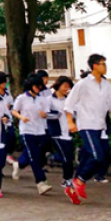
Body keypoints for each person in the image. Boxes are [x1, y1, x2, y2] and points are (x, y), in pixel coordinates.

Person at [65, 54, 111, 201]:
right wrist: (70, 121)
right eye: (102, 64)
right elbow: (69, 104)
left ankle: (72, 186)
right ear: (95, 66)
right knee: (97, 156)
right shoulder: (83, 84)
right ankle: (81, 180)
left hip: (100, 126)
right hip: (86, 125)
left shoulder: (106, 84)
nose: (105, 67)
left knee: (91, 158)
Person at [11, 75, 53, 195]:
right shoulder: (21, 98)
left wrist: (44, 115)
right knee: (34, 156)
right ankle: (41, 182)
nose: (38, 88)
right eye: (36, 86)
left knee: (36, 154)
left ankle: (18, 164)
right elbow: (14, 110)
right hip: (26, 130)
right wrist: (21, 117)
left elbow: (47, 113)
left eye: (40, 86)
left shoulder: (42, 99)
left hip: (40, 130)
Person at [46, 76, 80, 205]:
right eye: (65, 86)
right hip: (57, 133)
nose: (67, 89)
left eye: (68, 86)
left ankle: (52, 158)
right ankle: (67, 180)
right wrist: (58, 114)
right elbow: (44, 114)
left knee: (69, 157)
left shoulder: (69, 101)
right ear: (58, 85)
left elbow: (75, 114)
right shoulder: (49, 100)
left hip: (68, 133)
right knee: (67, 158)